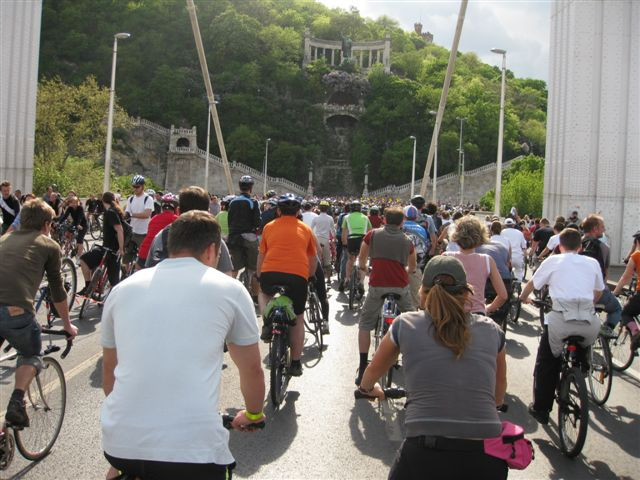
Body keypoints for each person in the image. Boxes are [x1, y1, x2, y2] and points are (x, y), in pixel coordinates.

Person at [101, 210, 265, 480]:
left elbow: (110, 372)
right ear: (212, 250)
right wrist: (254, 413)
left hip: (121, 443)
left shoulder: (122, 290)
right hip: (194, 451)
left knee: (120, 469)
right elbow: (252, 370)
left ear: (170, 245)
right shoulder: (231, 290)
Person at [359, 255, 508, 479]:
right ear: (466, 292)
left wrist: (369, 390)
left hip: (425, 453)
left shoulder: (406, 324)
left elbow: (371, 374)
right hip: (486, 455)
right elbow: (499, 392)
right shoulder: (491, 330)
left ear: (422, 291)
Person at [0, 199, 78, 428]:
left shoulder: (4, 239)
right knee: (31, 355)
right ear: (46, 224)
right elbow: (57, 290)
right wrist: (67, 324)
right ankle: (16, 402)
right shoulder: (48, 245)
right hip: (15, 311)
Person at [520, 228, 603, 424]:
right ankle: (581, 365)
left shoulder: (553, 260)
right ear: (580, 247)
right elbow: (598, 291)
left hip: (561, 321)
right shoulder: (592, 263)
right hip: (588, 322)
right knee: (584, 340)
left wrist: (523, 297)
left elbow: (533, 284)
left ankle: (541, 409)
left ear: (559, 245)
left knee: (546, 362)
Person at [256, 194, 317, 377]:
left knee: (263, 293)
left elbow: (261, 255)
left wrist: (259, 276)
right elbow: (312, 259)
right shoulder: (305, 229)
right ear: (299, 212)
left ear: (278, 210)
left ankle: (267, 320)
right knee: (298, 318)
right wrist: (310, 277)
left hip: (271, 272)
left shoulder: (269, 227)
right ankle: (296, 362)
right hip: (297, 277)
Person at [355, 207, 416, 385]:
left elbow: (362, 257)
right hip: (400, 286)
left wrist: (365, 269)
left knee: (365, 323)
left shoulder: (372, 235)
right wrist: (405, 270)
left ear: (384, 220)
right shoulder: (407, 241)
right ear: (402, 222)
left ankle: (363, 365)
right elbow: (412, 268)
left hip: (377, 285)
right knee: (413, 321)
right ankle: (412, 360)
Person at [145, 187, 234, 276]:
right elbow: (227, 275)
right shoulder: (215, 239)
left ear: (178, 211)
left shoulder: (162, 235)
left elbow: (149, 268)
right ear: (208, 212)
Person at [444, 216, 507, 316]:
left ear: (456, 235)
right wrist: (487, 308)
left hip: (451, 313)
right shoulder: (487, 260)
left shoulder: (446, 257)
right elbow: (503, 295)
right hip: (477, 315)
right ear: (481, 235)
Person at [580, 214, 622, 336]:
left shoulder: (575, 243)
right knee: (617, 308)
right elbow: (605, 275)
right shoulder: (604, 248)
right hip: (596, 292)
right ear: (595, 229)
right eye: (602, 227)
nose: (604, 230)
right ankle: (607, 329)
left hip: (576, 291)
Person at [78, 192, 125, 295]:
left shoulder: (111, 212)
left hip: (111, 251)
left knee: (83, 260)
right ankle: (91, 287)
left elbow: (119, 230)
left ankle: (89, 287)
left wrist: (121, 249)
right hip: (108, 249)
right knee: (84, 259)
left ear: (103, 201)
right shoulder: (114, 211)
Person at [227, 176, 261, 294]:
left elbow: (230, 220)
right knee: (254, 269)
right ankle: (255, 297)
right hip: (249, 238)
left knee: (234, 268)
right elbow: (257, 222)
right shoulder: (253, 202)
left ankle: (229, 291)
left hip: (234, 238)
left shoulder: (232, 202)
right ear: (251, 188)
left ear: (240, 187)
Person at [612, 231, 640, 349]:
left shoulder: (636, 255)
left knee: (626, 313)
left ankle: (635, 333)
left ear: (637, 242)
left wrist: (615, 293)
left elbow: (625, 278)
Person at [137, 193, 179, 268]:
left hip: (144, 254)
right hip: (159, 257)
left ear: (162, 208)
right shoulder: (176, 220)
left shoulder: (154, 219)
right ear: (175, 208)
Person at [340, 200, 372, 293]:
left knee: (350, 259)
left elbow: (344, 234)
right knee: (363, 262)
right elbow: (370, 231)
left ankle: (347, 279)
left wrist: (344, 243)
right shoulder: (366, 217)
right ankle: (361, 282)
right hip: (363, 240)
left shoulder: (346, 217)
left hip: (351, 240)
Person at [124, 175, 154, 264]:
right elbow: (127, 213)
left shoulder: (148, 199)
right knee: (126, 258)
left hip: (143, 233)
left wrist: (132, 215)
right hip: (132, 231)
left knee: (143, 258)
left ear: (142, 186)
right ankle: (126, 275)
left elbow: (146, 214)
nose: (135, 188)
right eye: (134, 186)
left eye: (137, 186)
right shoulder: (131, 199)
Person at [311, 200, 335, 281]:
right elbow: (333, 230)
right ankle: (328, 279)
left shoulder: (316, 218)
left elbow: (310, 230)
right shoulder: (330, 218)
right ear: (327, 209)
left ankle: (314, 276)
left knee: (315, 259)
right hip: (326, 240)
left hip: (317, 239)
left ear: (319, 208)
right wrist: (334, 239)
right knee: (327, 260)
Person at [502, 218, 527, 282]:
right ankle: (518, 283)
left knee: (506, 272)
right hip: (517, 256)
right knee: (518, 270)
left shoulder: (502, 232)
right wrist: (525, 256)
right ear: (513, 225)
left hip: (506, 257)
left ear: (505, 225)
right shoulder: (519, 233)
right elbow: (524, 246)